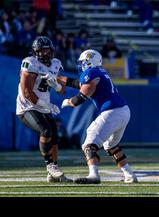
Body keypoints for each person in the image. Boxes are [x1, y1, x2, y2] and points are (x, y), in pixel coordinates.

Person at [59, 49, 138, 184]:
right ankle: (130, 175)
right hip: (123, 111)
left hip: (112, 111)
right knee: (110, 145)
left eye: (83, 62)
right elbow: (77, 83)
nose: (81, 65)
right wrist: (57, 78)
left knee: (89, 144)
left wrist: (68, 102)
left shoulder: (91, 72)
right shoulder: (99, 72)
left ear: (89, 62)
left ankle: (94, 175)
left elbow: (82, 96)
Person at [16, 36, 71, 182]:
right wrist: (47, 105)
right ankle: (49, 166)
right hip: (27, 107)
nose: (46, 54)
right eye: (43, 51)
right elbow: (27, 92)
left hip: (43, 107)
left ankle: (53, 172)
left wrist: (56, 85)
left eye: (48, 51)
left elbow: (61, 91)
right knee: (45, 130)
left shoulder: (56, 64)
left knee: (54, 136)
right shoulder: (30, 63)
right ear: (36, 52)